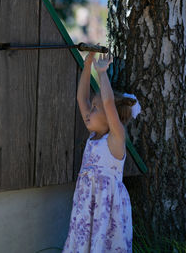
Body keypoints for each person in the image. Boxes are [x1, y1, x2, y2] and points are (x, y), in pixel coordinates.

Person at [62, 50, 141, 252]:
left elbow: (107, 102)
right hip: (86, 207)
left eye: (95, 108)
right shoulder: (93, 138)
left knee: (103, 244)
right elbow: (82, 99)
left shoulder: (115, 138)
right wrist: (87, 64)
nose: (88, 112)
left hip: (107, 211)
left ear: (110, 117)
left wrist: (102, 73)